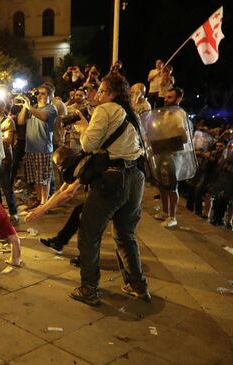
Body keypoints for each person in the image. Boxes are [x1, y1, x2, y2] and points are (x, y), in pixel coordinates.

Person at [69, 74, 150, 306]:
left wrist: (84, 127)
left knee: (89, 232)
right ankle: (137, 284)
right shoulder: (130, 113)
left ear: (112, 93)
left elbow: (87, 144)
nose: (98, 95)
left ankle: (89, 289)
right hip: (136, 177)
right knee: (125, 233)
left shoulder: (105, 110)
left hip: (113, 179)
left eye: (102, 91)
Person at [16, 83, 58, 206]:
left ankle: (44, 203)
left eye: (43, 93)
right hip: (30, 148)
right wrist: (25, 106)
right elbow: (20, 121)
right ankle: (39, 200)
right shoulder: (32, 107)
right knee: (35, 178)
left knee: (44, 178)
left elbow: (43, 117)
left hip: (43, 148)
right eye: (38, 93)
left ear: (50, 96)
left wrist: (29, 107)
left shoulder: (51, 108)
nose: (39, 96)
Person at [153, 87, 186, 228]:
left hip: (173, 153)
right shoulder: (166, 113)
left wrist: (173, 139)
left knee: (172, 186)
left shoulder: (179, 114)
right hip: (161, 151)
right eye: (166, 97)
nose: (166, 100)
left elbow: (183, 135)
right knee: (162, 184)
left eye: (170, 97)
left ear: (178, 99)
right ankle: (165, 212)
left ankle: (173, 217)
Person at [0, 100, 18, 221]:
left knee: (5, 185)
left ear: (3, 108)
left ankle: (13, 212)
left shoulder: (8, 121)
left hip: (5, 158)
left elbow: (8, 140)